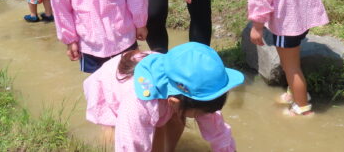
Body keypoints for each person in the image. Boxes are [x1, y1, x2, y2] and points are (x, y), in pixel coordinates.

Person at [83, 42, 244, 151]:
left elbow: (218, 132)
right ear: (173, 102)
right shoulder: (136, 105)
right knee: (117, 134)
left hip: (160, 90)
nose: (205, 116)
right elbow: (130, 146)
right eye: (201, 113)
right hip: (113, 85)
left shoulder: (203, 89)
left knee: (173, 122)